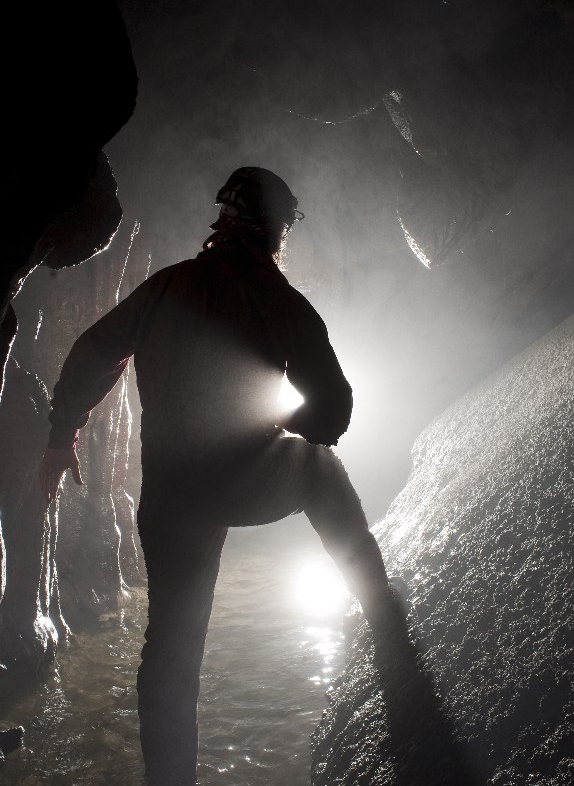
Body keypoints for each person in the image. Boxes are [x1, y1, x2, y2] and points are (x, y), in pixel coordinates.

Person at [37, 167, 406, 786]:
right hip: (242, 483)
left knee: (172, 646)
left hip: (170, 498)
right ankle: (385, 618)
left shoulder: (166, 287)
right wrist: (284, 421)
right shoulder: (280, 299)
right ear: (273, 230)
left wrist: (62, 432)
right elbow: (333, 414)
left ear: (223, 221)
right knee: (319, 466)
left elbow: (94, 351)